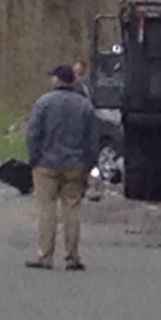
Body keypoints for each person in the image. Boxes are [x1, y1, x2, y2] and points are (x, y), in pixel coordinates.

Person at [25, 64, 102, 272]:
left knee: (46, 210)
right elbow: (93, 139)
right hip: (75, 164)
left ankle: (45, 256)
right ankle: (73, 257)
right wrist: (89, 163)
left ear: (58, 80)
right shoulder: (85, 106)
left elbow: (33, 134)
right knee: (72, 209)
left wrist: (35, 158)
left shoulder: (43, 103)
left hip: (46, 164)